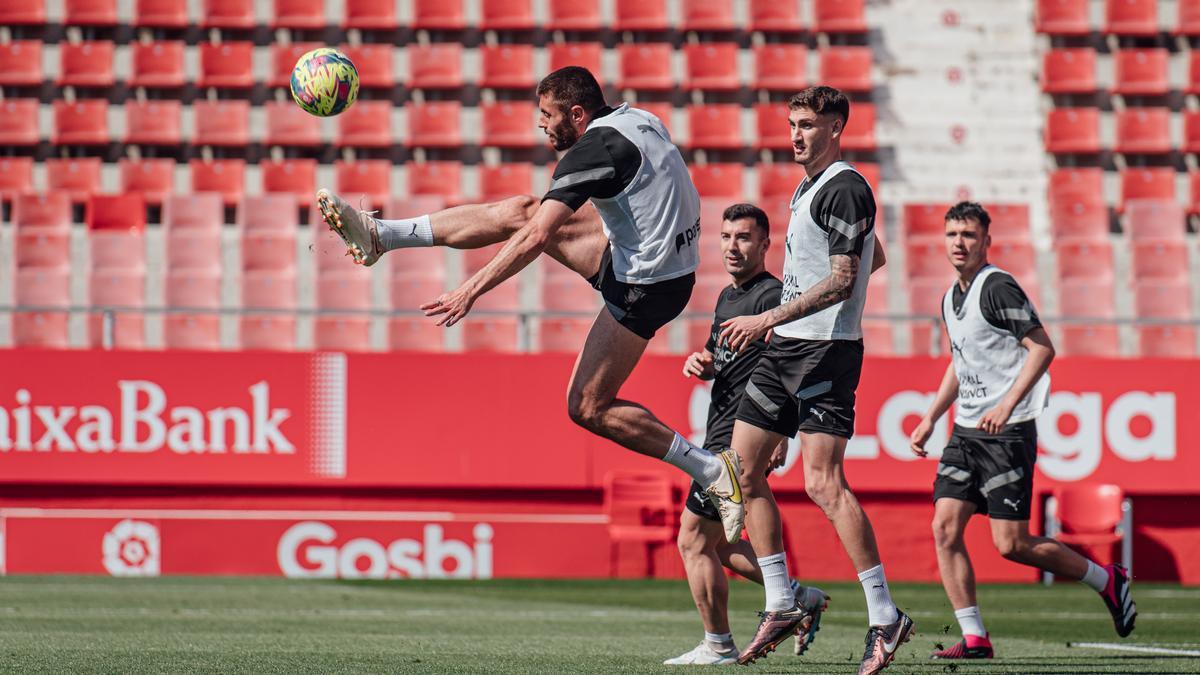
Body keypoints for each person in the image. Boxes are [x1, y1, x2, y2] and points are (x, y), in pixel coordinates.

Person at [315, 66, 744, 540]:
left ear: (577, 114)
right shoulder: (638, 118)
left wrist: (470, 289)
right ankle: (383, 236)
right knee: (522, 207)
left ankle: (708, 468)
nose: (540, 124)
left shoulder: (592, 151)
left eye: (547, 115)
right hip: (658, 258)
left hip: (645, 284)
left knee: (586, 406)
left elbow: (538, 237)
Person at [714, 86, 907, 673]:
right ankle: (780, 599)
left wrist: (768, 315)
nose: (796, 134)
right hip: (787, 349)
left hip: (826, 352)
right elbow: (872, 257)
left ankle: (885, 614)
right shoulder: (808, 188)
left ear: (836, 128)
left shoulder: (846, 186)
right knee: (740, 468)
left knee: (823, 484)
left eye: (807, 124)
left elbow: (847, 277)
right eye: (792, 123)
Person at [909, 201, 1137, 659]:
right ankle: (975, 637)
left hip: (1007, 433)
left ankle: (1106, 579)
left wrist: (1007, 404)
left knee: (1011, 545)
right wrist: (932, 416)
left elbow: (1041, 348)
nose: (960, 242)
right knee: (943, 528)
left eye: (969, 235)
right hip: (966, 433)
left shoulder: (997, 287)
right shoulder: (951, 295)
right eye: (953, 234)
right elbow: (962, 363)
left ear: (986, 241)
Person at [666, 204, 829, 666]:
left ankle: (719, 644)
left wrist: (782, 434)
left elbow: (794, 366)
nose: (732, 247)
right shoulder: (726, 298)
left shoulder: (775, 296)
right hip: (719, 428)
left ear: (764, 244)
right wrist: (705, 363)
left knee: (693, 541)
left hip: (741, 438)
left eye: (743, 238)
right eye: (726, 237)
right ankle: (798, 596)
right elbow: (724, 355)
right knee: (716, 545)